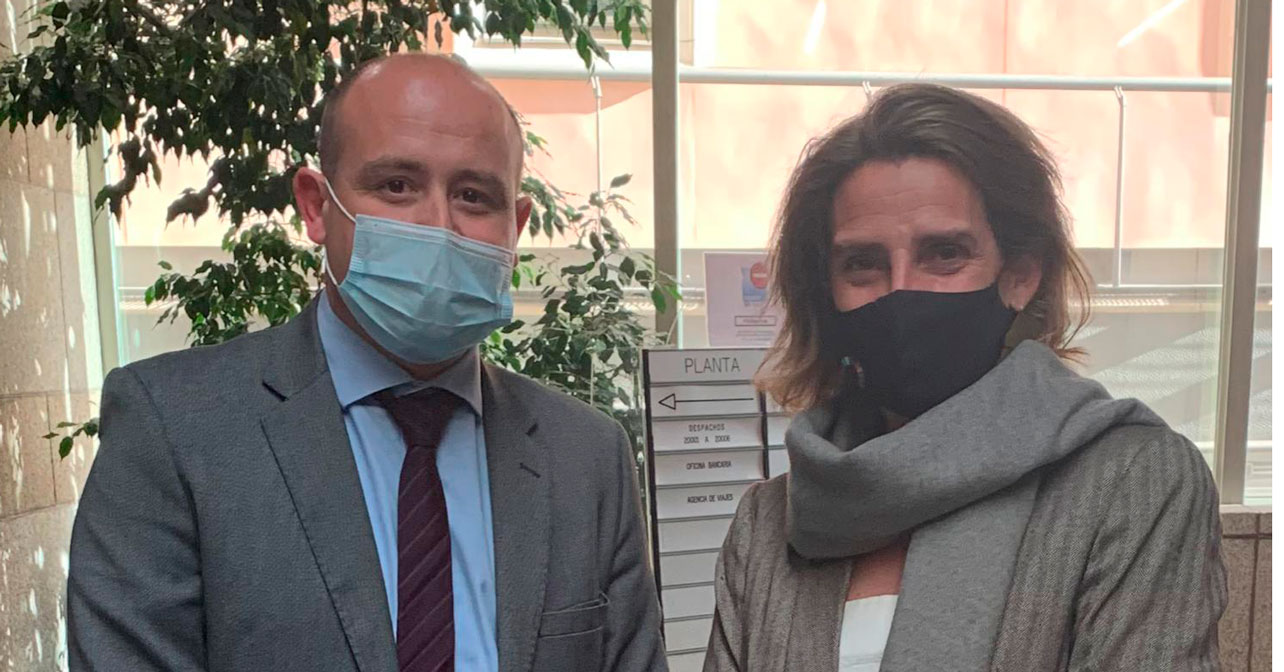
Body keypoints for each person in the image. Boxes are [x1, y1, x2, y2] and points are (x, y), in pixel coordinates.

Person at [68, 54, 665, 672]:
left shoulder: (586, 456)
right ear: (316, 206)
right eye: (396, 186)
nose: (438, 226)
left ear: (514, 228)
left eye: (473, 196)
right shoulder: (175, 430)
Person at [704, 83, 1226, 672]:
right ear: (825, 291)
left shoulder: (1132, 484)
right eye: (863, 263)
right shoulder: (770, 523)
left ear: (1020, 274)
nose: (902, 290)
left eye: (945, 253)